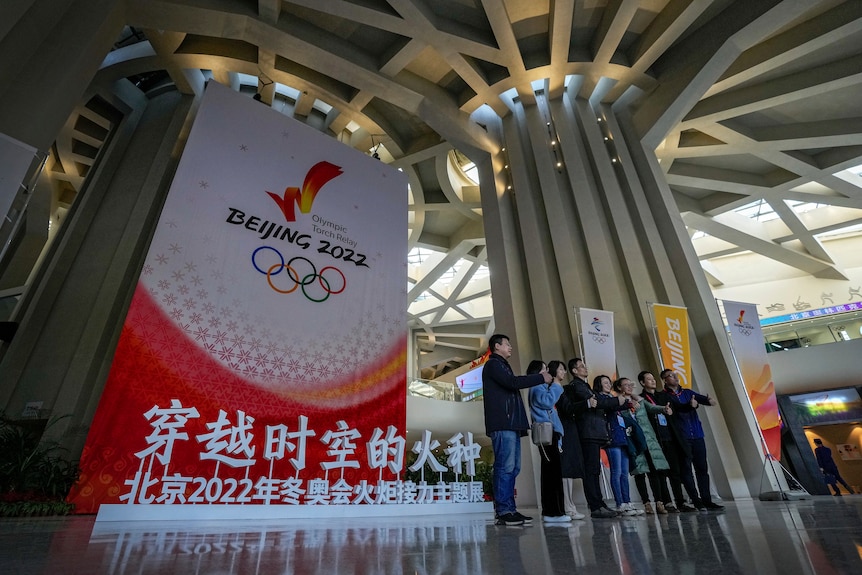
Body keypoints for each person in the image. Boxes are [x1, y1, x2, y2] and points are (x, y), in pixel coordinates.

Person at [482, 333, 552, 526]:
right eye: (507, 344)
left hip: (511, 423)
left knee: (513, 468)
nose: (510, 347)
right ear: (497, 346)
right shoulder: (493, 364)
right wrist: (539, 377)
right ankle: (504, 511)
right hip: (503, 423)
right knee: (505, 467)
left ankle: (510, 509)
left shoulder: (502, 365)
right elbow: (512, 383)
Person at [557, 358, 630, 519]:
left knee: (594, 470)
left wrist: (625, 403)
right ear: (574, 371)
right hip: (588, 432)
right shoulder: (578, 386)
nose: (585, 368)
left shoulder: (586, 387)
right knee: (591, 471)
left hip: (594, 432)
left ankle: (600, 504)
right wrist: (617, 400)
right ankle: (596, 506)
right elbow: (597, 403)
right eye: (581, 366)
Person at [659, 369, 723, 511]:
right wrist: (690, 406)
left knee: (702, 469)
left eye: (676, 375)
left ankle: (707, 500)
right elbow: (679, 409)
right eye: (671, 376)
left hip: (697, 435)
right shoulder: (664, 396)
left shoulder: (688, 392)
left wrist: (709, 401)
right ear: (664, 380)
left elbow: (703, 399)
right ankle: (696, 500)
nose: (675, 377)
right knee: (686, 470)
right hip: (682, 437)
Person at [618, 376, 672, 514]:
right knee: (640, 472)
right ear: (619, 388)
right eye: (625, 385)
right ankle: (646, 503)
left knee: (655, 470)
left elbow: (653, 408)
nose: (629, 387)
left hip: (648, 439)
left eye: (630, 384)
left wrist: (664, 409)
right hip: (634, 440)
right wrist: (628, 407)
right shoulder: (619, 403)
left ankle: (659, 502)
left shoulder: (640, 401)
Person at [527, 360, 571, 523]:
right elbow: (545, 402)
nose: (548, 373)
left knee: (552, 472)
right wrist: (557, 386)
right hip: (546, 432)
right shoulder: (538, 386)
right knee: (551, 473)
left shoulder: (541, 386)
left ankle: (555, 511)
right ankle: (553, 512)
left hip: (551, 432)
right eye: (545, 369)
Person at [597, 375, 642, 516]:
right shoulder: (601, 399)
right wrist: (624, 402)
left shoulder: (612, 397)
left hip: (622, 438)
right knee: (616, 472)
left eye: (609, 382)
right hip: (611, 439)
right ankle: (619, 503)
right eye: (605, 382)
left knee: (624, 473)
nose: (608, 384)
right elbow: (612, 405)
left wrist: (630, 403)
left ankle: (627, 502)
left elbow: (631, 402)